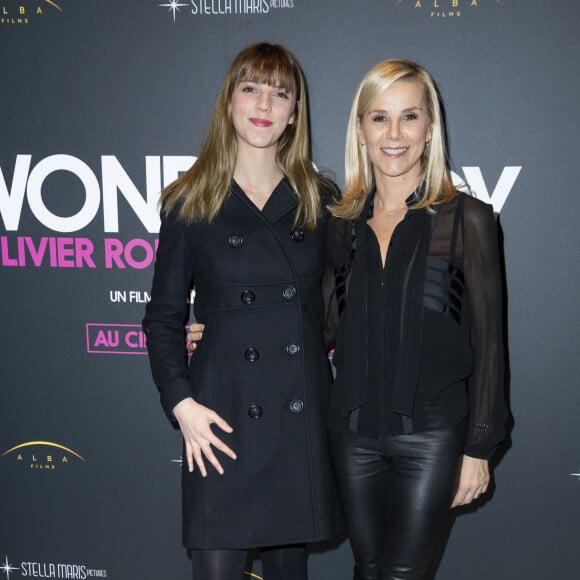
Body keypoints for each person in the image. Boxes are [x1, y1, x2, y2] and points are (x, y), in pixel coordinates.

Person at [142, 43, 341, 580]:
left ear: (295, 112)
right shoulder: (189, 200)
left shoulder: (320, 199)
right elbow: (162, 317)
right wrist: (182, 404)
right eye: (251, 87)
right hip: (221, 415)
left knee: (288, 571)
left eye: (280, 93)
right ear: (228, 100)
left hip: (296, 415)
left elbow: (342, 304)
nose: (264, 104)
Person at [325, 59, 507, 579]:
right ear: (361, 131)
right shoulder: (341, 225)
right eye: (379, 118)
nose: (394, 133)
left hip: (430, 436)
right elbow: (319, 324)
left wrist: (479, 446)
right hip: (352, 433)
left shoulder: (467, 219)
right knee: (368, 568)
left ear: (430, 129)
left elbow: (490, 342)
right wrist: (221, 330)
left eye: (409, 117)